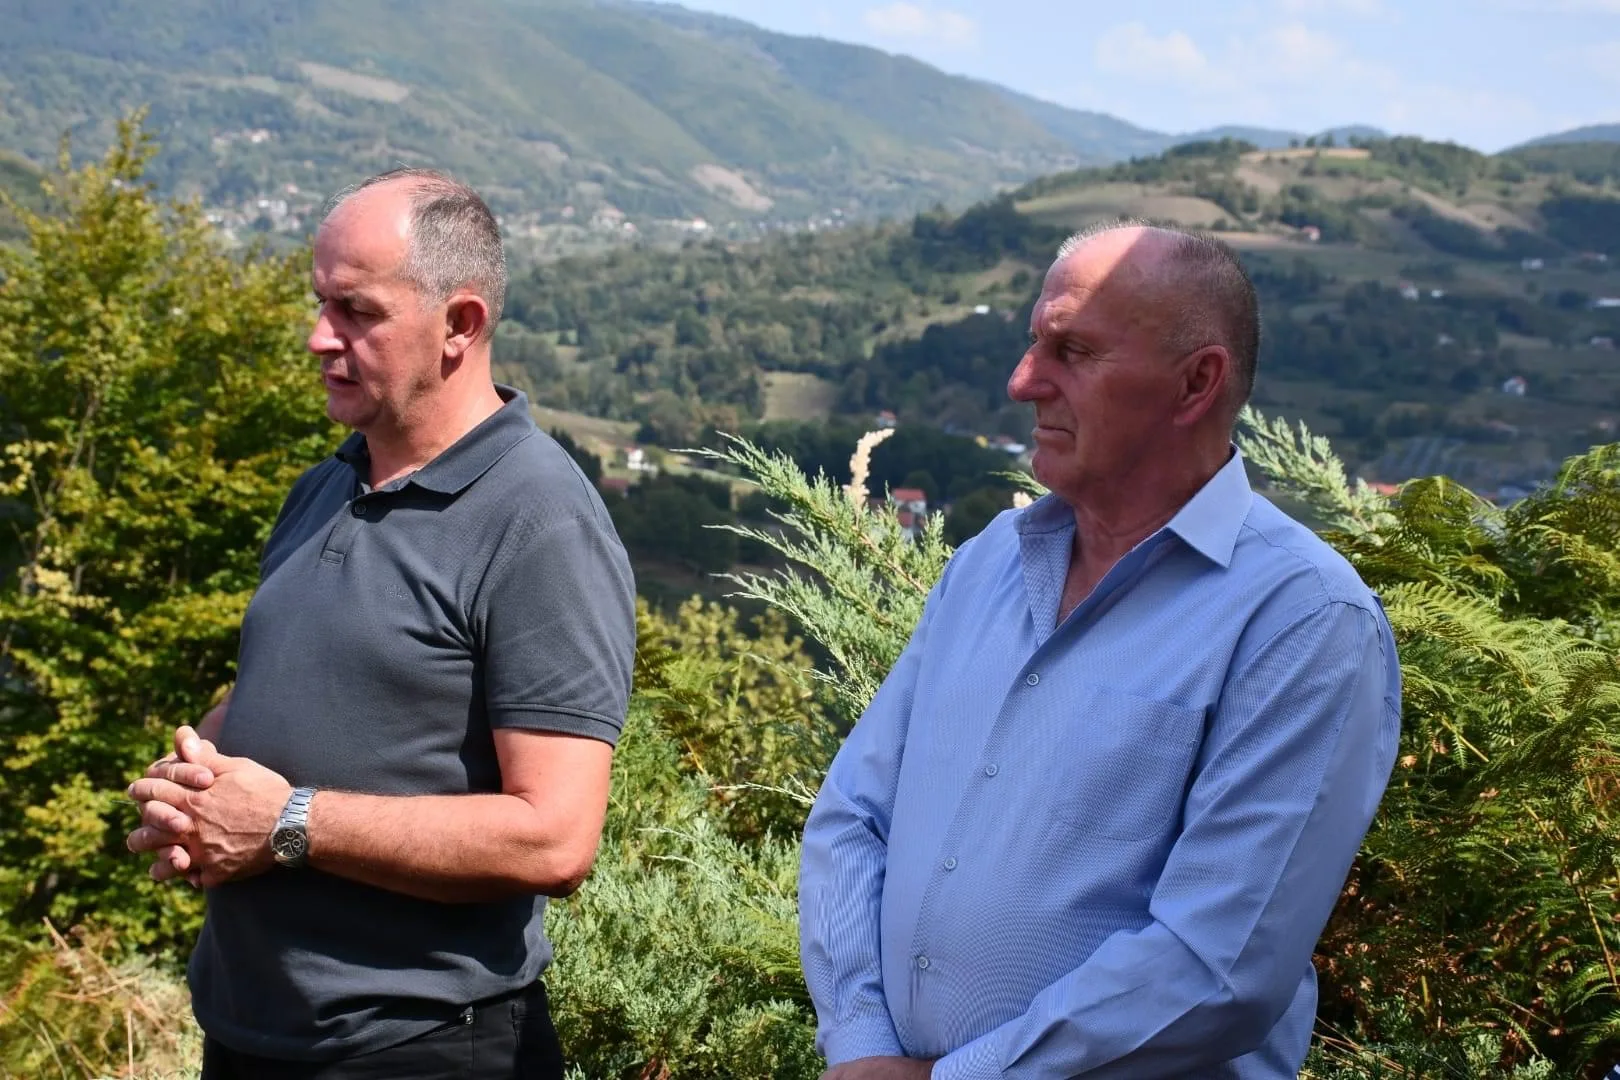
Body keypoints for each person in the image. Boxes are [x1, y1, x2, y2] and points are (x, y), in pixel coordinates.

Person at [798, 222, 1401, 1079]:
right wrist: (860, 1041)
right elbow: (854, 816)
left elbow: (1219, 968)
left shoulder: (1303, 621)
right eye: (1034, 343)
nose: (1022, 381)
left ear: (1196, 383)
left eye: (1074, 351)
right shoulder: (989, 564)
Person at [124, 168, 636, 1079]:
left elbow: (556, 838)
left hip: (421, 1047)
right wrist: (197, 784)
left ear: (460, 324)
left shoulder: (541, 522)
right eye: (321, 302)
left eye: (356, 311)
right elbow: (293, 685)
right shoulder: (326, 484)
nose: (319, 336)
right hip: (248, 1031)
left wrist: (286, 823)